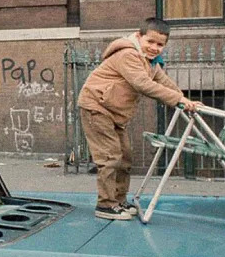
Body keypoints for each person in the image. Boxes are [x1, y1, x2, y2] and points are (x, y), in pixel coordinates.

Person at [77, 18, 203, 220]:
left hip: (114, 111)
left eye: (160, 45)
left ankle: (118, 200)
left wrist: (185, 100)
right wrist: (177, 100)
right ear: (138, 36)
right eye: (150, 42)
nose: (154, 48)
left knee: (125, 156)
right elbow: (142, 84)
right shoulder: (128, 55)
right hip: (96, 107)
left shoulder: (150, 61)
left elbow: (164, 81)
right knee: (110, 157)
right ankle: (106, 205)